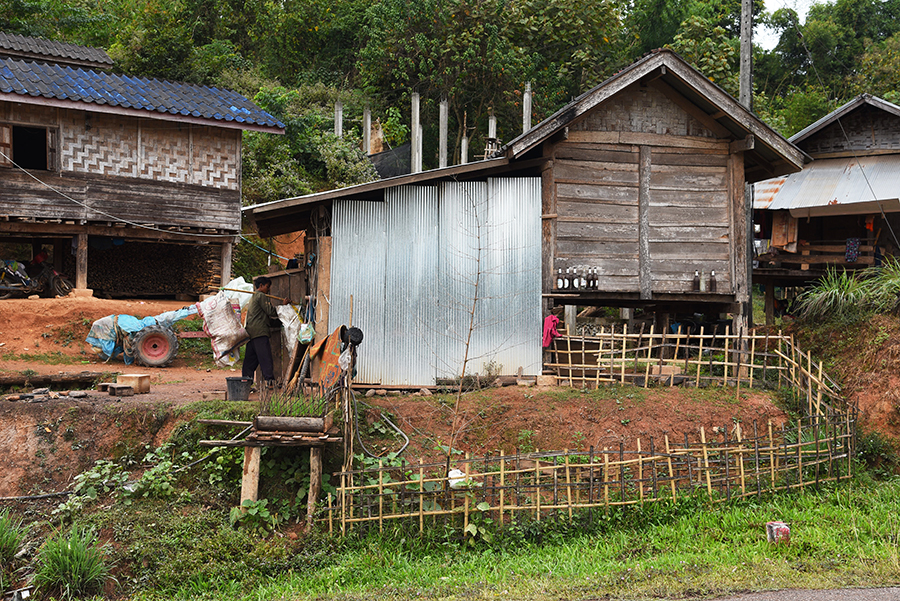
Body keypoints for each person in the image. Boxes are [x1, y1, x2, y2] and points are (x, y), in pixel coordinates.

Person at [242, 276, 287, 387]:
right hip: (259, 332)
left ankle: (245, 382)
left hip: (251, 332)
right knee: (265, 358)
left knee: (250, 360)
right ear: (261, 286)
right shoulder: (261, 296)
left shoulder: (254, 297)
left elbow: (264, 317)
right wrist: (284, 307)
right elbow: (271, 311)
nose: (269, 290)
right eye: (267, 287)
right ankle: (270, 382)